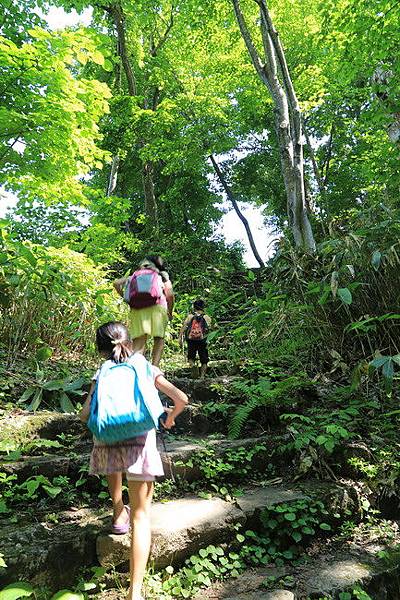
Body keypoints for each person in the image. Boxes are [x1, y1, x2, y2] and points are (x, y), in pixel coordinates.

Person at [80, 321, 188, 600]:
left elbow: (84, 414)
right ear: (130, 341)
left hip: (106, 442)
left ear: (100, 349)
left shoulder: (101, 371)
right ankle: (135, 592)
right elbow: (181, 399)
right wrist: (169, 417)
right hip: (139, 442)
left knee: (113, 457)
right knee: (141, 515)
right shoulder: (144, 366)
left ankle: (118, 513)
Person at [113, 255, 174, 367]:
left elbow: (116, 283)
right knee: (159, 339)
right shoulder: (161, 275)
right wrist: (170, 311)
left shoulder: (135, 275)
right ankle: (155, 368)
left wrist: (127, 298)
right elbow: (169, 294)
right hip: (157, 308)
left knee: (139, 340)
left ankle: (135, 368)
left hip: (137, 310)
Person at [179, 299, 212, 379]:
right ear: (203, 307)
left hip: (191, 340)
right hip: (202, 340)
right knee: (204, 359)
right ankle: (202, 376)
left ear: (194, 307)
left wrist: (180, 337)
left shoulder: (190, 316)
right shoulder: (206, 317)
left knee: (191, 357)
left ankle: (193, 366)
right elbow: (210, 329)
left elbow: (184, 327)